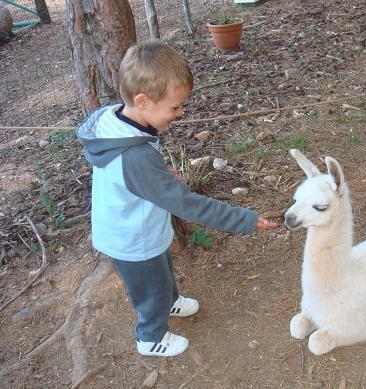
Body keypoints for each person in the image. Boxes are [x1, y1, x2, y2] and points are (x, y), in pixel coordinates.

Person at [76, 39, 278, 357]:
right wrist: (247, 220)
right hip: (133, 240)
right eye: (174, 107)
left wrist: (162, 178)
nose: (180, 113)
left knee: (162, 270)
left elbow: (135, 177)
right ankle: (150, 336)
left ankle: (169, 302)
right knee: (151, 287)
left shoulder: (119, 126)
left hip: (137, 227)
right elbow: (188, 204)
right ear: (143, 100)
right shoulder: (135, 156)